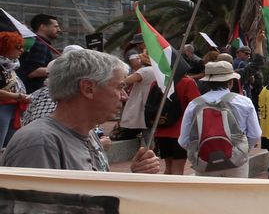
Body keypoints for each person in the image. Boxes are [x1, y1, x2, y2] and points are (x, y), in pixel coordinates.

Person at [0, 48, 162, 173]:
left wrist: (133, 177)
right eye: (120, 87)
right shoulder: (39, 143)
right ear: (88, 88)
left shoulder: (87, 133)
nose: (124, 96)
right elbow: (37, 213)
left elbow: (94, 196)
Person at [178, 61, 261, 177]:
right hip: (236, 162)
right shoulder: (244, 102)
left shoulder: (194, 105)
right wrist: (242, 150)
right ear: (230, 82)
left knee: (208, 195)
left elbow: (183, 140)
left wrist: (200, 152)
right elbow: (255, 134)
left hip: (204, 163)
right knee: (236, 195)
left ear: (207, 82)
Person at [0, 31, 31, 149]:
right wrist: (17, 96)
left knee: (10, 148)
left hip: (13, 110)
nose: (22, 50)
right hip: (3, 109)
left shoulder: (10, 66)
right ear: (5, 47)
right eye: (18, 47)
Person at [17, 13, 59, 94]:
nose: (59, 29)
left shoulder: (38, 43)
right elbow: (32, 71)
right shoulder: (39, 44)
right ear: (42, 27)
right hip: (29, 93)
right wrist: (62, 69)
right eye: (55, 26)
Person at [116, 53, 155, 139]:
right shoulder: (158, 70)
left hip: (140, 103)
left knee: (138, 127)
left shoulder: (143, 71)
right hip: (153, 102)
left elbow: (123, 81)